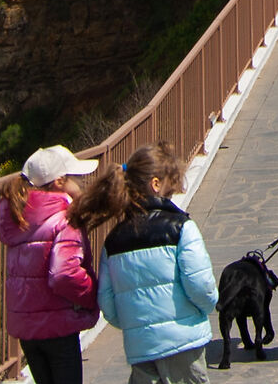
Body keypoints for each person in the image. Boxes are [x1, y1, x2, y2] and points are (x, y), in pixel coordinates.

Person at [74, 142, 217, 384]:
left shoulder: (113, 241)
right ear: (156, 184)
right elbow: (201, 286)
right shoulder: (181, 227)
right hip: (183, 342)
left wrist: (135, 325)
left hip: (141, 348)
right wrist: (202, 310)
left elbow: (108, 303)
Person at [0, 146, 100, 384]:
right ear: (60, 181)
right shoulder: (64, 218)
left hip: (27, 328)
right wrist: (93, 294)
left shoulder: (17, 215)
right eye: (77, 178)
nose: (82, 184)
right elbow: (64, 274)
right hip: (58, 325)